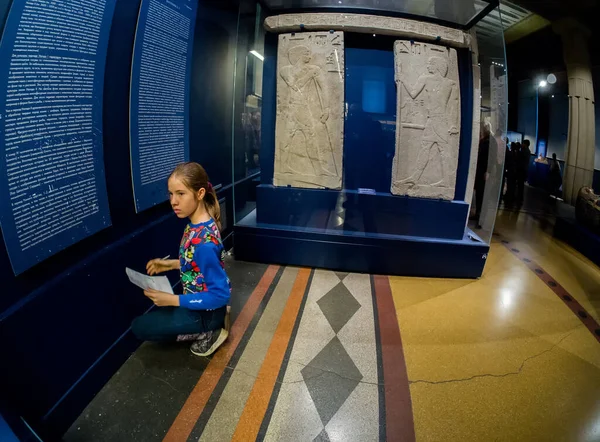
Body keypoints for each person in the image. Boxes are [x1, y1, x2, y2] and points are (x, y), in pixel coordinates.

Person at [131, 162, 231, 357]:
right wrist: (169, 264)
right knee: (145, 323)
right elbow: (197, 264)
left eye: (181, 193)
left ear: (200, 193)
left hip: (205, 313)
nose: (173, 201)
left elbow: (221, 295)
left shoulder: (204, 244)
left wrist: (173, 300)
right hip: (199, 303)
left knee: (139, 327)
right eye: (171, 194)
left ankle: (209, 330)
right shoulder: (197, 225)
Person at [516, 139, 531, 203]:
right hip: (524, 170)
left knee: (520, 184)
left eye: (523, 143)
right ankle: (520, 197)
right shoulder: (528, 151)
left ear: (525, 144)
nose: (522, 144)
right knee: (521, 184)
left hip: (522, 170)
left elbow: (520, 158)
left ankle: (519, 197)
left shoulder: (525, 151)